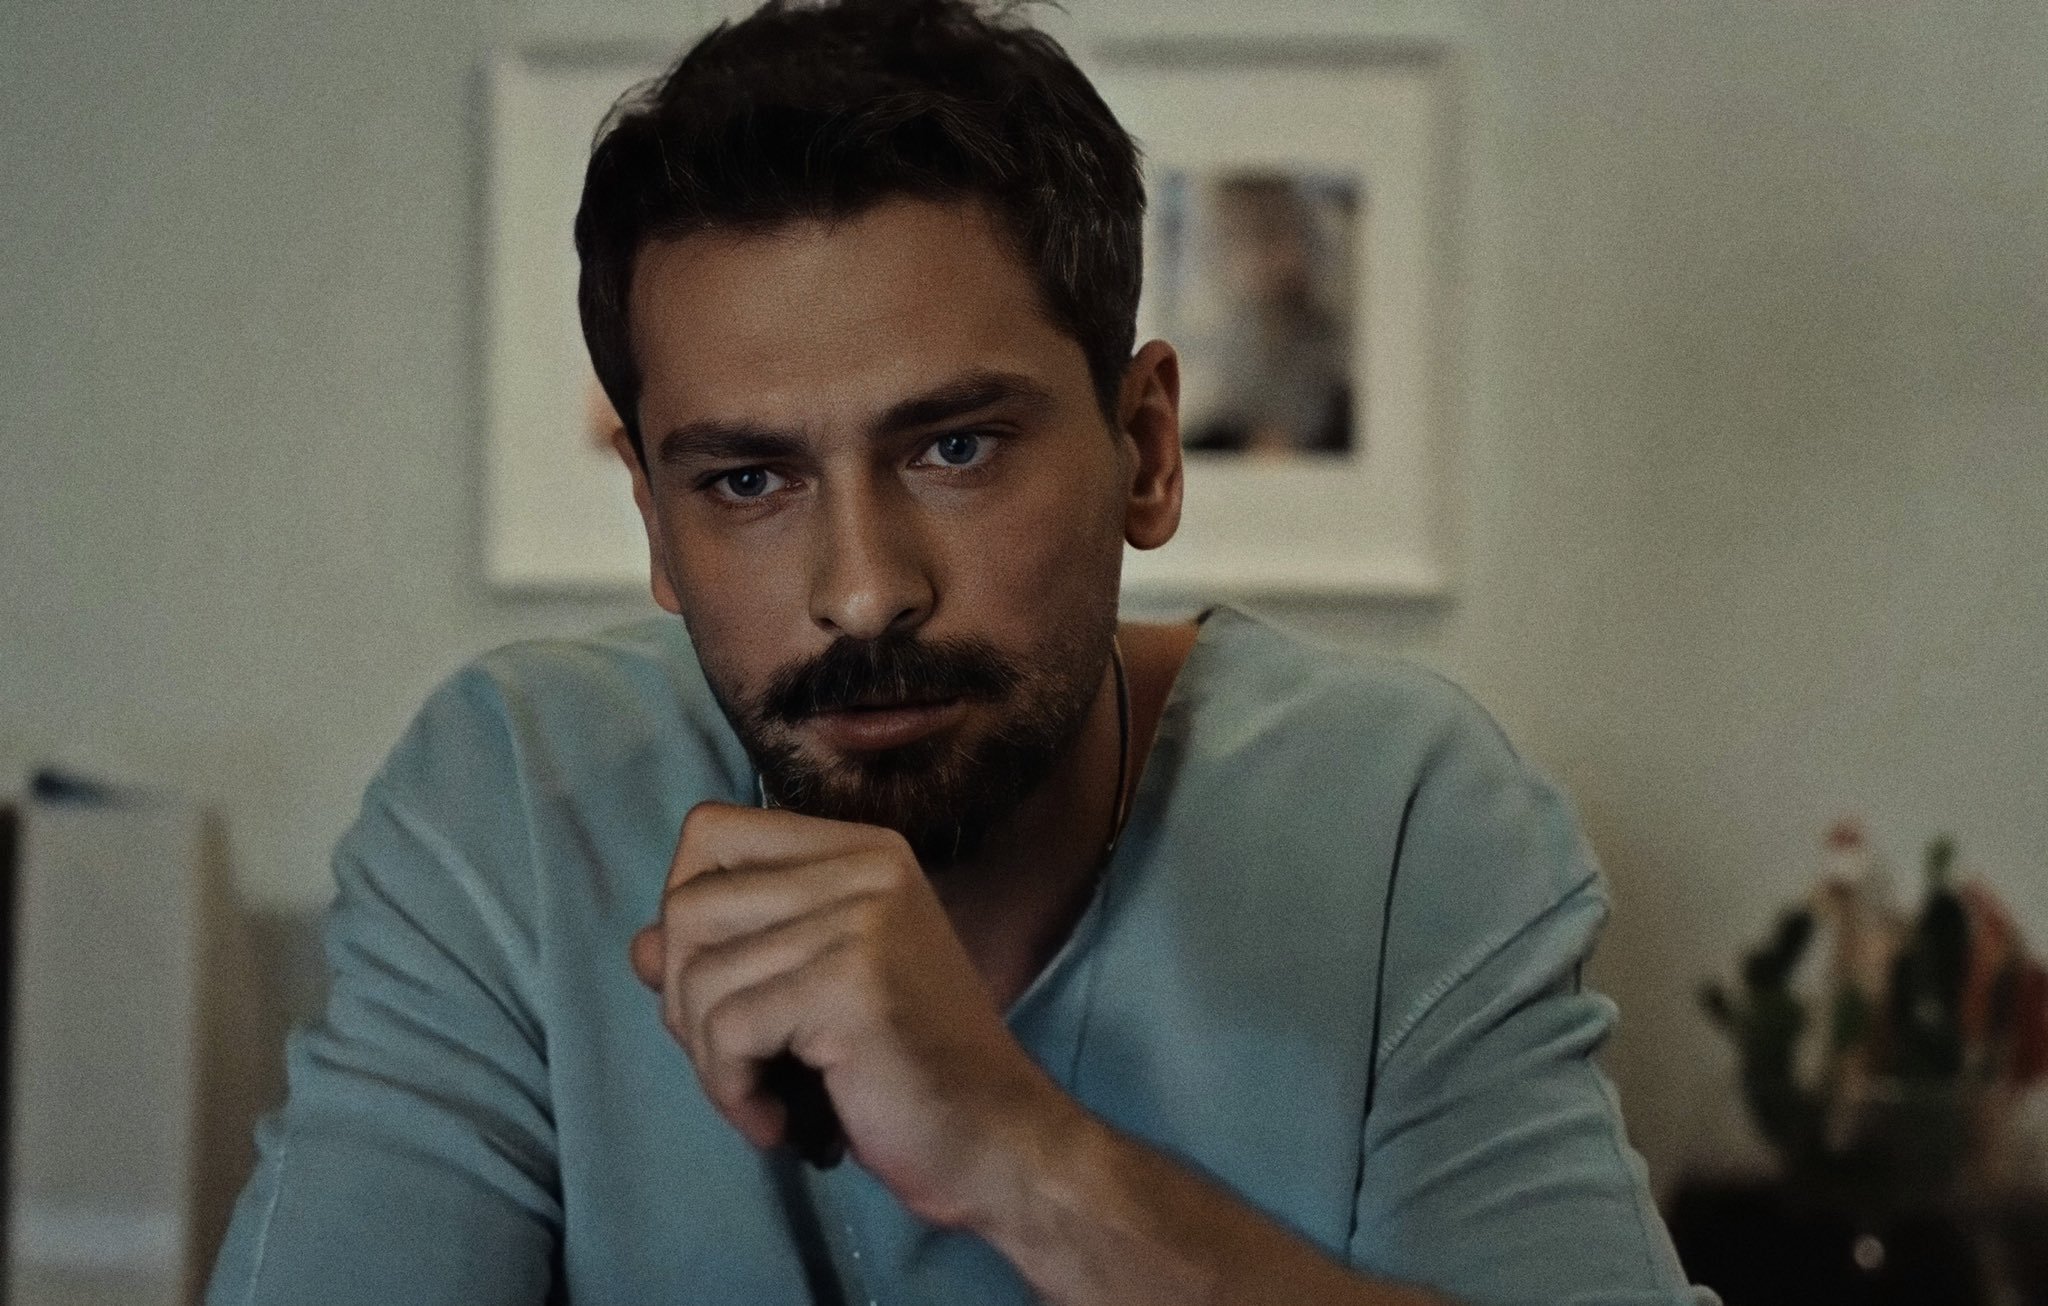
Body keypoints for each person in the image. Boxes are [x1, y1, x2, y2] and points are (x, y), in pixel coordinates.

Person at [208, 2, 1712, 1302]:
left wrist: (1016, 1153)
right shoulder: (513, 806)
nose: (865, 593)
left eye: (956, 448)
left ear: (1145, 451)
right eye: (747, 480)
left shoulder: (1404, 819)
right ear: (657, 527)